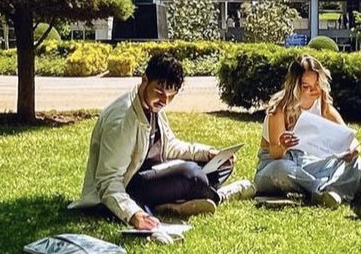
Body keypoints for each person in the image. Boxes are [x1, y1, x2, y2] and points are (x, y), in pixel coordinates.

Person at [69, 54, 255, 230]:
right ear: (144, 80)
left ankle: (178, 202)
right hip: (127, 188)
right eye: (159, 92)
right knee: (191, 174)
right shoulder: (122, 119)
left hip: (154, 174)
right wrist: (133, 214)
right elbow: (107, 180)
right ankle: (219, 195)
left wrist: (208, 154)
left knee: (219, 165)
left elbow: (170, 147)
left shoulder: (152, 106)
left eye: (171, 95)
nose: (164, 100)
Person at [254, 55, 361, 209]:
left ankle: (331, 191)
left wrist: (353, 149)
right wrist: (283, 146)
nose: (313, 90)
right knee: (282, 169)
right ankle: (324, 190)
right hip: (275, 164)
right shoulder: (280, 109)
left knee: (355, 161)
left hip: (307, 161)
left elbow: (350, 138)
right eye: (306, 86)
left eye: (317, 84)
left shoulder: (323, 106)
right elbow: (275, 154)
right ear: (295, 86)